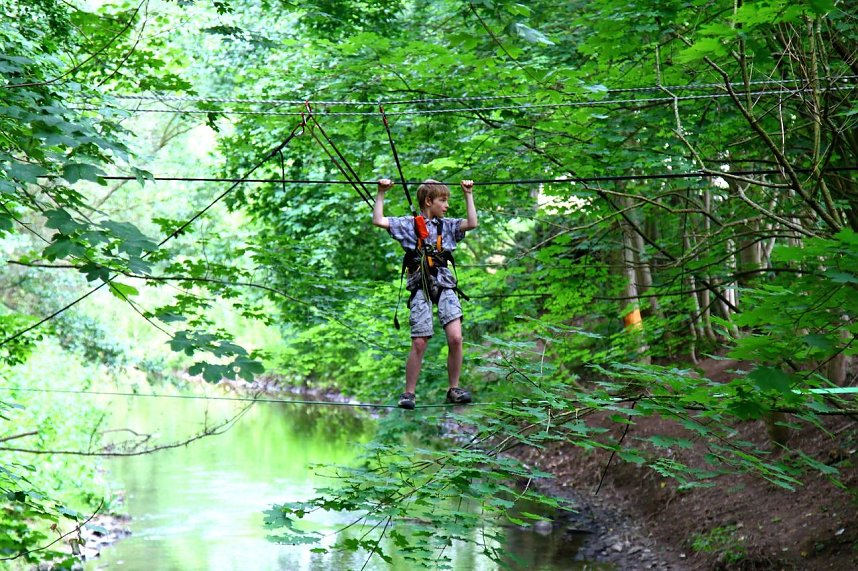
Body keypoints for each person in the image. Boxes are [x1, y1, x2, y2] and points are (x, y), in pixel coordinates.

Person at [373, 178, 478, 409]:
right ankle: (409, 393)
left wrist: (468, 193)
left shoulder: (447, 225)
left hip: (444, 283)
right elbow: (378, 220)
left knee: (456, 338)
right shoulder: (408, 225)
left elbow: (472, 222)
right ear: (429, 201)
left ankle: (454, 388)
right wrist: (381, 192)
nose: (447, 205)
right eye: (443, 200)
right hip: (420, 283)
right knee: (420, 341)